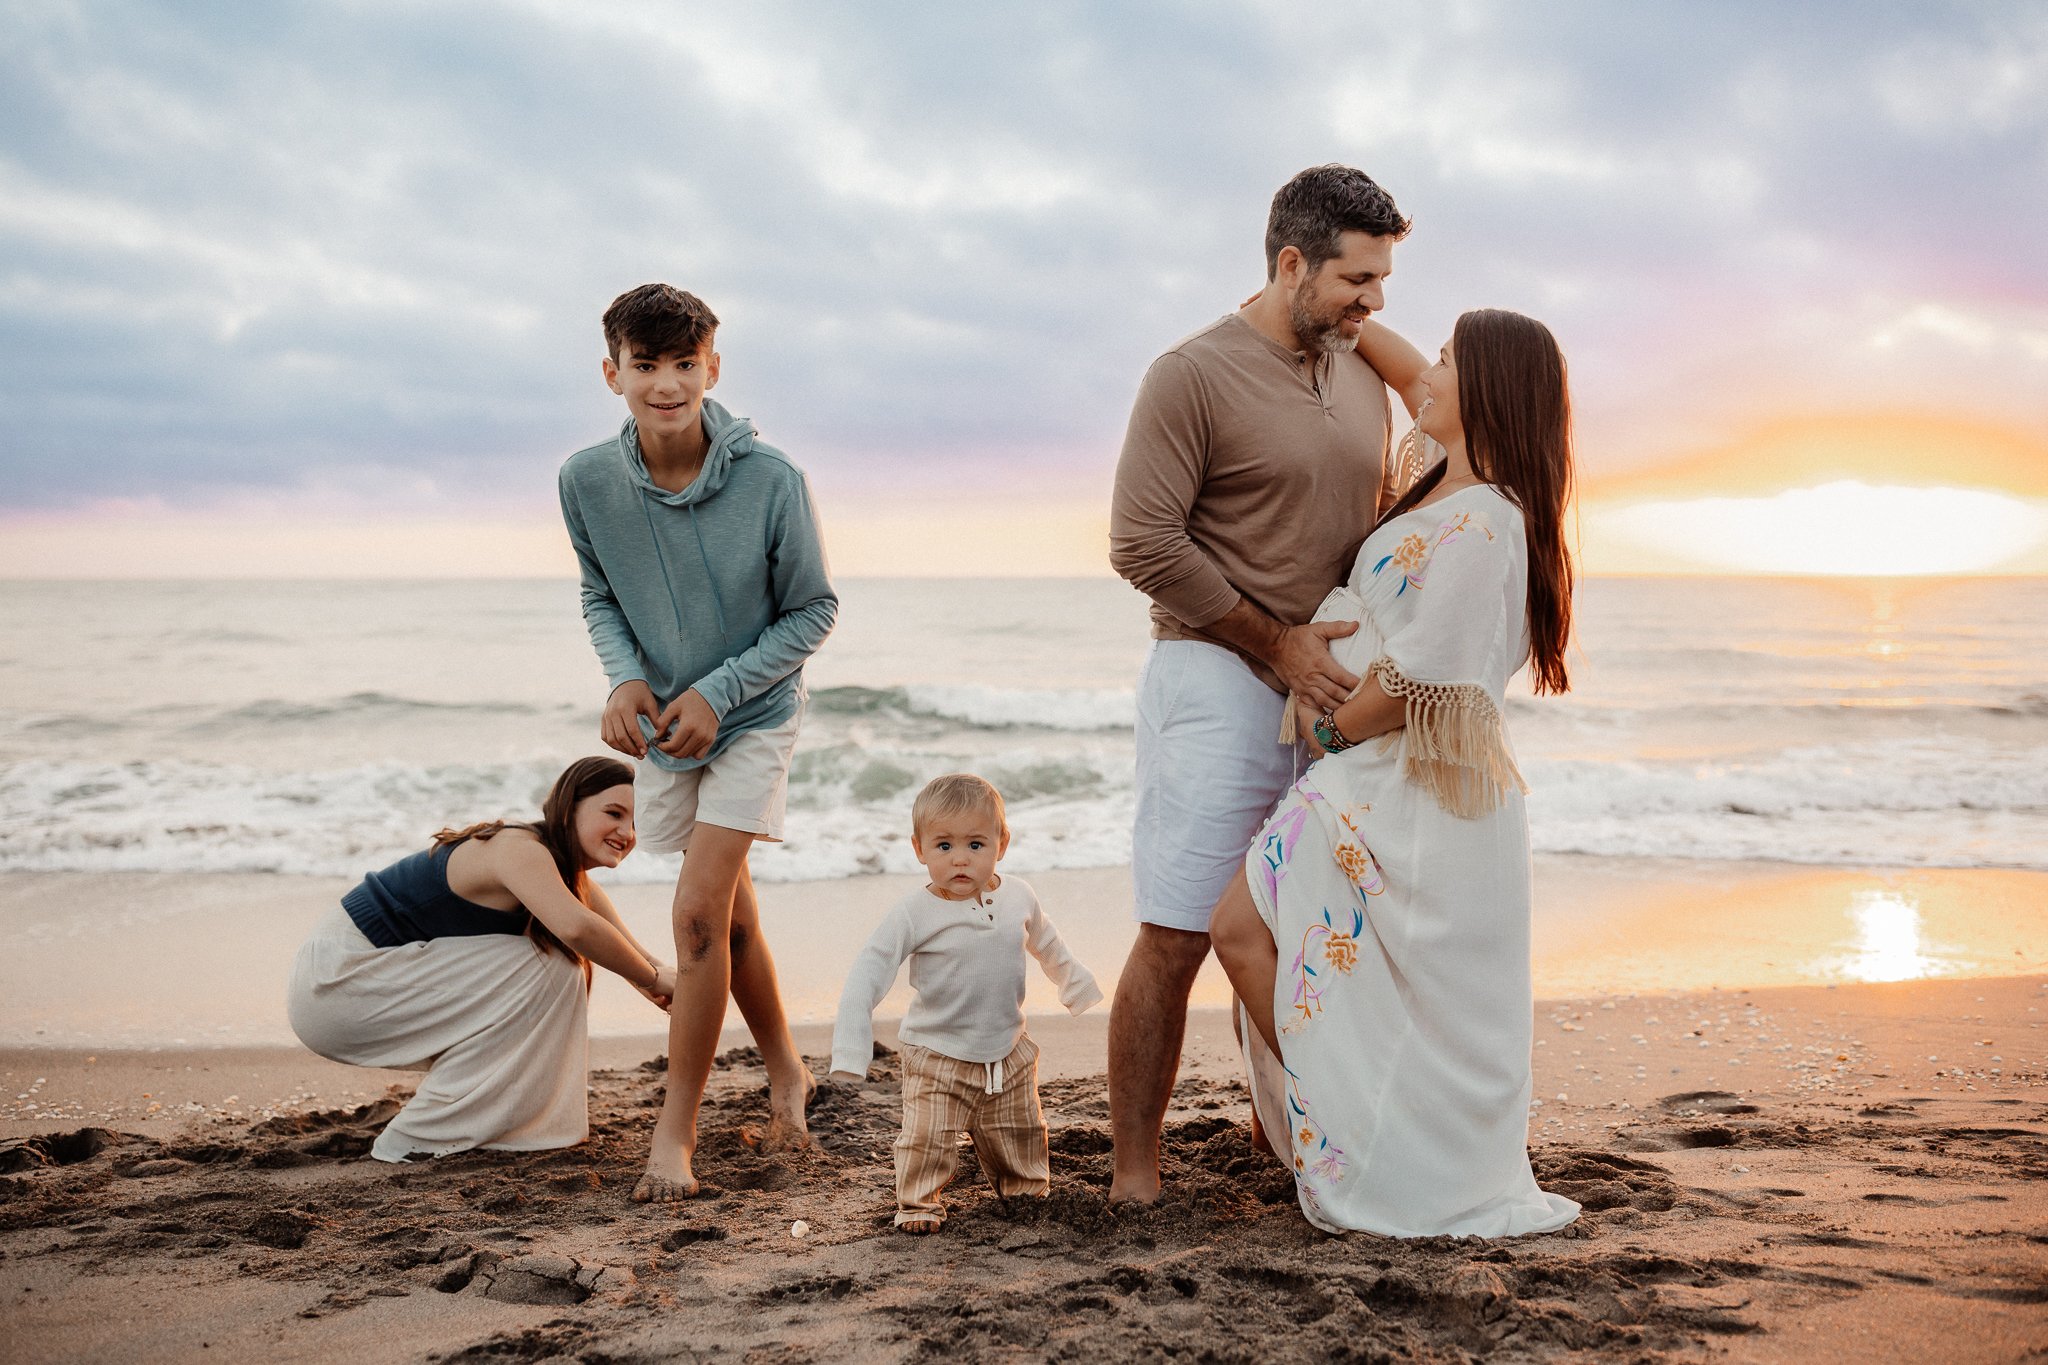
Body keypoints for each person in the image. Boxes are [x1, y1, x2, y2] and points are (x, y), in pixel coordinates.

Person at [1208, 308, 1583, 1237]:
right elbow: (1405, 365)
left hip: (1405, 785)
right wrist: (1345, 308)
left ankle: (1340, 1132)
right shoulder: (1434, 484)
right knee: (1278, 946)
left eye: (1452, 360)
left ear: (1487, 388)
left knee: (1248, 934)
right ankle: (1337, 1124)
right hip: (1372, 782)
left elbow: (1423, 674)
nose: (1431, 373)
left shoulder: (1490, 519)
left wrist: (1332, 737)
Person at [1105, 164, 1410, 1202]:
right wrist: (1269, 643)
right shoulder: (1188, 375)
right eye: (1355, 281)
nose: (1372, 304)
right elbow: (1138, 541)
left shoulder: (1355, 361)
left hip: (1323, 688)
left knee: (1294, 922)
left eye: (1380, 282)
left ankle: (1287, 1139)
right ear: (1290, 264)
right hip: (1215, 675)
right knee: (1181, 926)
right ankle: (1133, 1176)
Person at [558, 283, 839, 1202]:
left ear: (713, 367)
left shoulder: (773, 481)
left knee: (691, 915)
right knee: (730, 917)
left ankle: (673, 1135)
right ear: (614, 374)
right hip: (669, 726)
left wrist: (719, 692)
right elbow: (600, 592)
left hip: (752, 715)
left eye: (686, 364)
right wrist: (624, 677)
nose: (667, 384)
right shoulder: (584, 482)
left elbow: (813, 610)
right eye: (646, 366)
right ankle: (790, 1071)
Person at [287, 756, 676, 1163]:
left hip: (360, 982)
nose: (626, 832)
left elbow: (596, 919)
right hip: (338, 981)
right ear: (568, 806)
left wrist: (652, 975)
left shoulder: (555, 871)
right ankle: (421, 1137)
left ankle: (462, 1124)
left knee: (551, 969)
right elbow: (578, 929)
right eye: (613, 813)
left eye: (636, 821)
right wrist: (651, 979)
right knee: (550, 967)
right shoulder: (517, 848)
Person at [827, 775, 1102, 1233]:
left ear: (1002, 843)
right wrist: (851, 1052)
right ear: (918, 849)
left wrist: (1076, 986)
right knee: (927, 1140)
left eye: (976, 844)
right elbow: (868, 973)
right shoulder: (915, 913)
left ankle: (1024, 1192)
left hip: (1008, 1052)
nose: (959, 858)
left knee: (1021, 1132)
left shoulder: (1018, 895)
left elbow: (1048, 942)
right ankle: (918, 1205)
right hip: (938, 1057)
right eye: (943, 846)